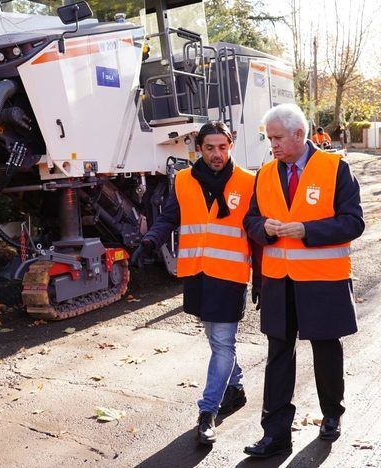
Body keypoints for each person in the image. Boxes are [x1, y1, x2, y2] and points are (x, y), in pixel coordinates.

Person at [243, 103, 364, 458]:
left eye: (278, 137)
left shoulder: (335, 168)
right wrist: (261, 228)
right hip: (279, 282)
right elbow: (250, 220)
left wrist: (306, 230)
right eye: (269, 139)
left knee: (326, 351)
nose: (273, 145)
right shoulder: (265, 174)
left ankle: (331, 415)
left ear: (300, 134)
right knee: (278, 355)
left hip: (322, 281)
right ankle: (275, 434)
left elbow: (353, 222)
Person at [137, 121, 260, 445]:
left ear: (230, 146)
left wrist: (261, 277)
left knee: (222, 343)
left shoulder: (249, 182)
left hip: (231, 276)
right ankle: (235, 387)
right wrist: (150, 242)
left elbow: (258, 236)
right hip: (197, 274)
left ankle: (208, 411)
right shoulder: (183, 180)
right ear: (199, 149)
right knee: (215, 338)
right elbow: (169, 218)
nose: (217, 154)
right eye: (210, 148)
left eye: (222, 147)